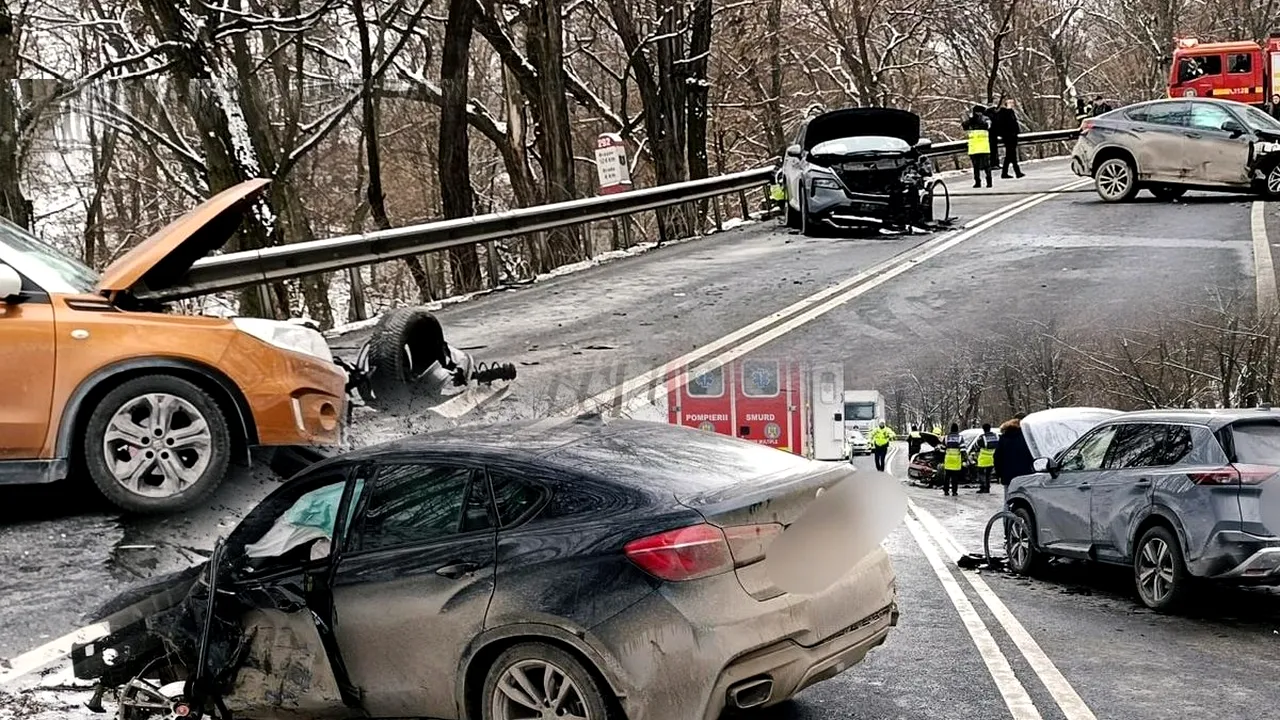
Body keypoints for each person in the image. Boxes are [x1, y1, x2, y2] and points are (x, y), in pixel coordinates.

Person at [993, 413, 1034, 485]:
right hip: (1027, 475)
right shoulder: (1029, 437)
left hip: (1007, 475)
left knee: (1009, 495)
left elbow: (997, 457)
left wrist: (999, 474)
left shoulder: (1004, 437)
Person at [963, 106, 993, 188]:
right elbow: (964, 126)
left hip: (982, 146)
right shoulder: (971, 120)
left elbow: (988, 126)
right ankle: (977, 182)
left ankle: (989, 181)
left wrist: (979, 120)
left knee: (986, 165)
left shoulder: (985, 119)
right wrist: (970, 120)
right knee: (975, 166)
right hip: (974, 146)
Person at [994, 98, 1024, 179]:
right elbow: (1003, 125)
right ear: (1005, 103)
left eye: (1012, 102)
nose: (1012, 104)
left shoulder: (1011, 112)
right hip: (1008, 137)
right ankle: (1015, 172)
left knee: (1010, 155)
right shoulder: (1002, 113)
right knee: (1011, 154)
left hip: (1013, 136)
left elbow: (1014, 123)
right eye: (1010, 102)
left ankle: (1009, 173)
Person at [975, 422, 999, 493]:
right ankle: (987, 488)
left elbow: (977, 446)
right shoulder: (996, 436)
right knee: (988, 474)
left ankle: (983, 487)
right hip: (992, 458)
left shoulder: (982, 437)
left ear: (983, 429)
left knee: (981, 473)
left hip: (983, 458)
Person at [942, 423, 965, 496]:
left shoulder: (946, 437)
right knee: (955, 477)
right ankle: (954, 492)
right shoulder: (960, 438)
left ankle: (946, 491)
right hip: (956, 460)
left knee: (947, 476)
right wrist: (964, 458)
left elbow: (942, 449)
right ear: (957, 429)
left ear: (951, 429)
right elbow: (963, 449)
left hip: (948, 459)